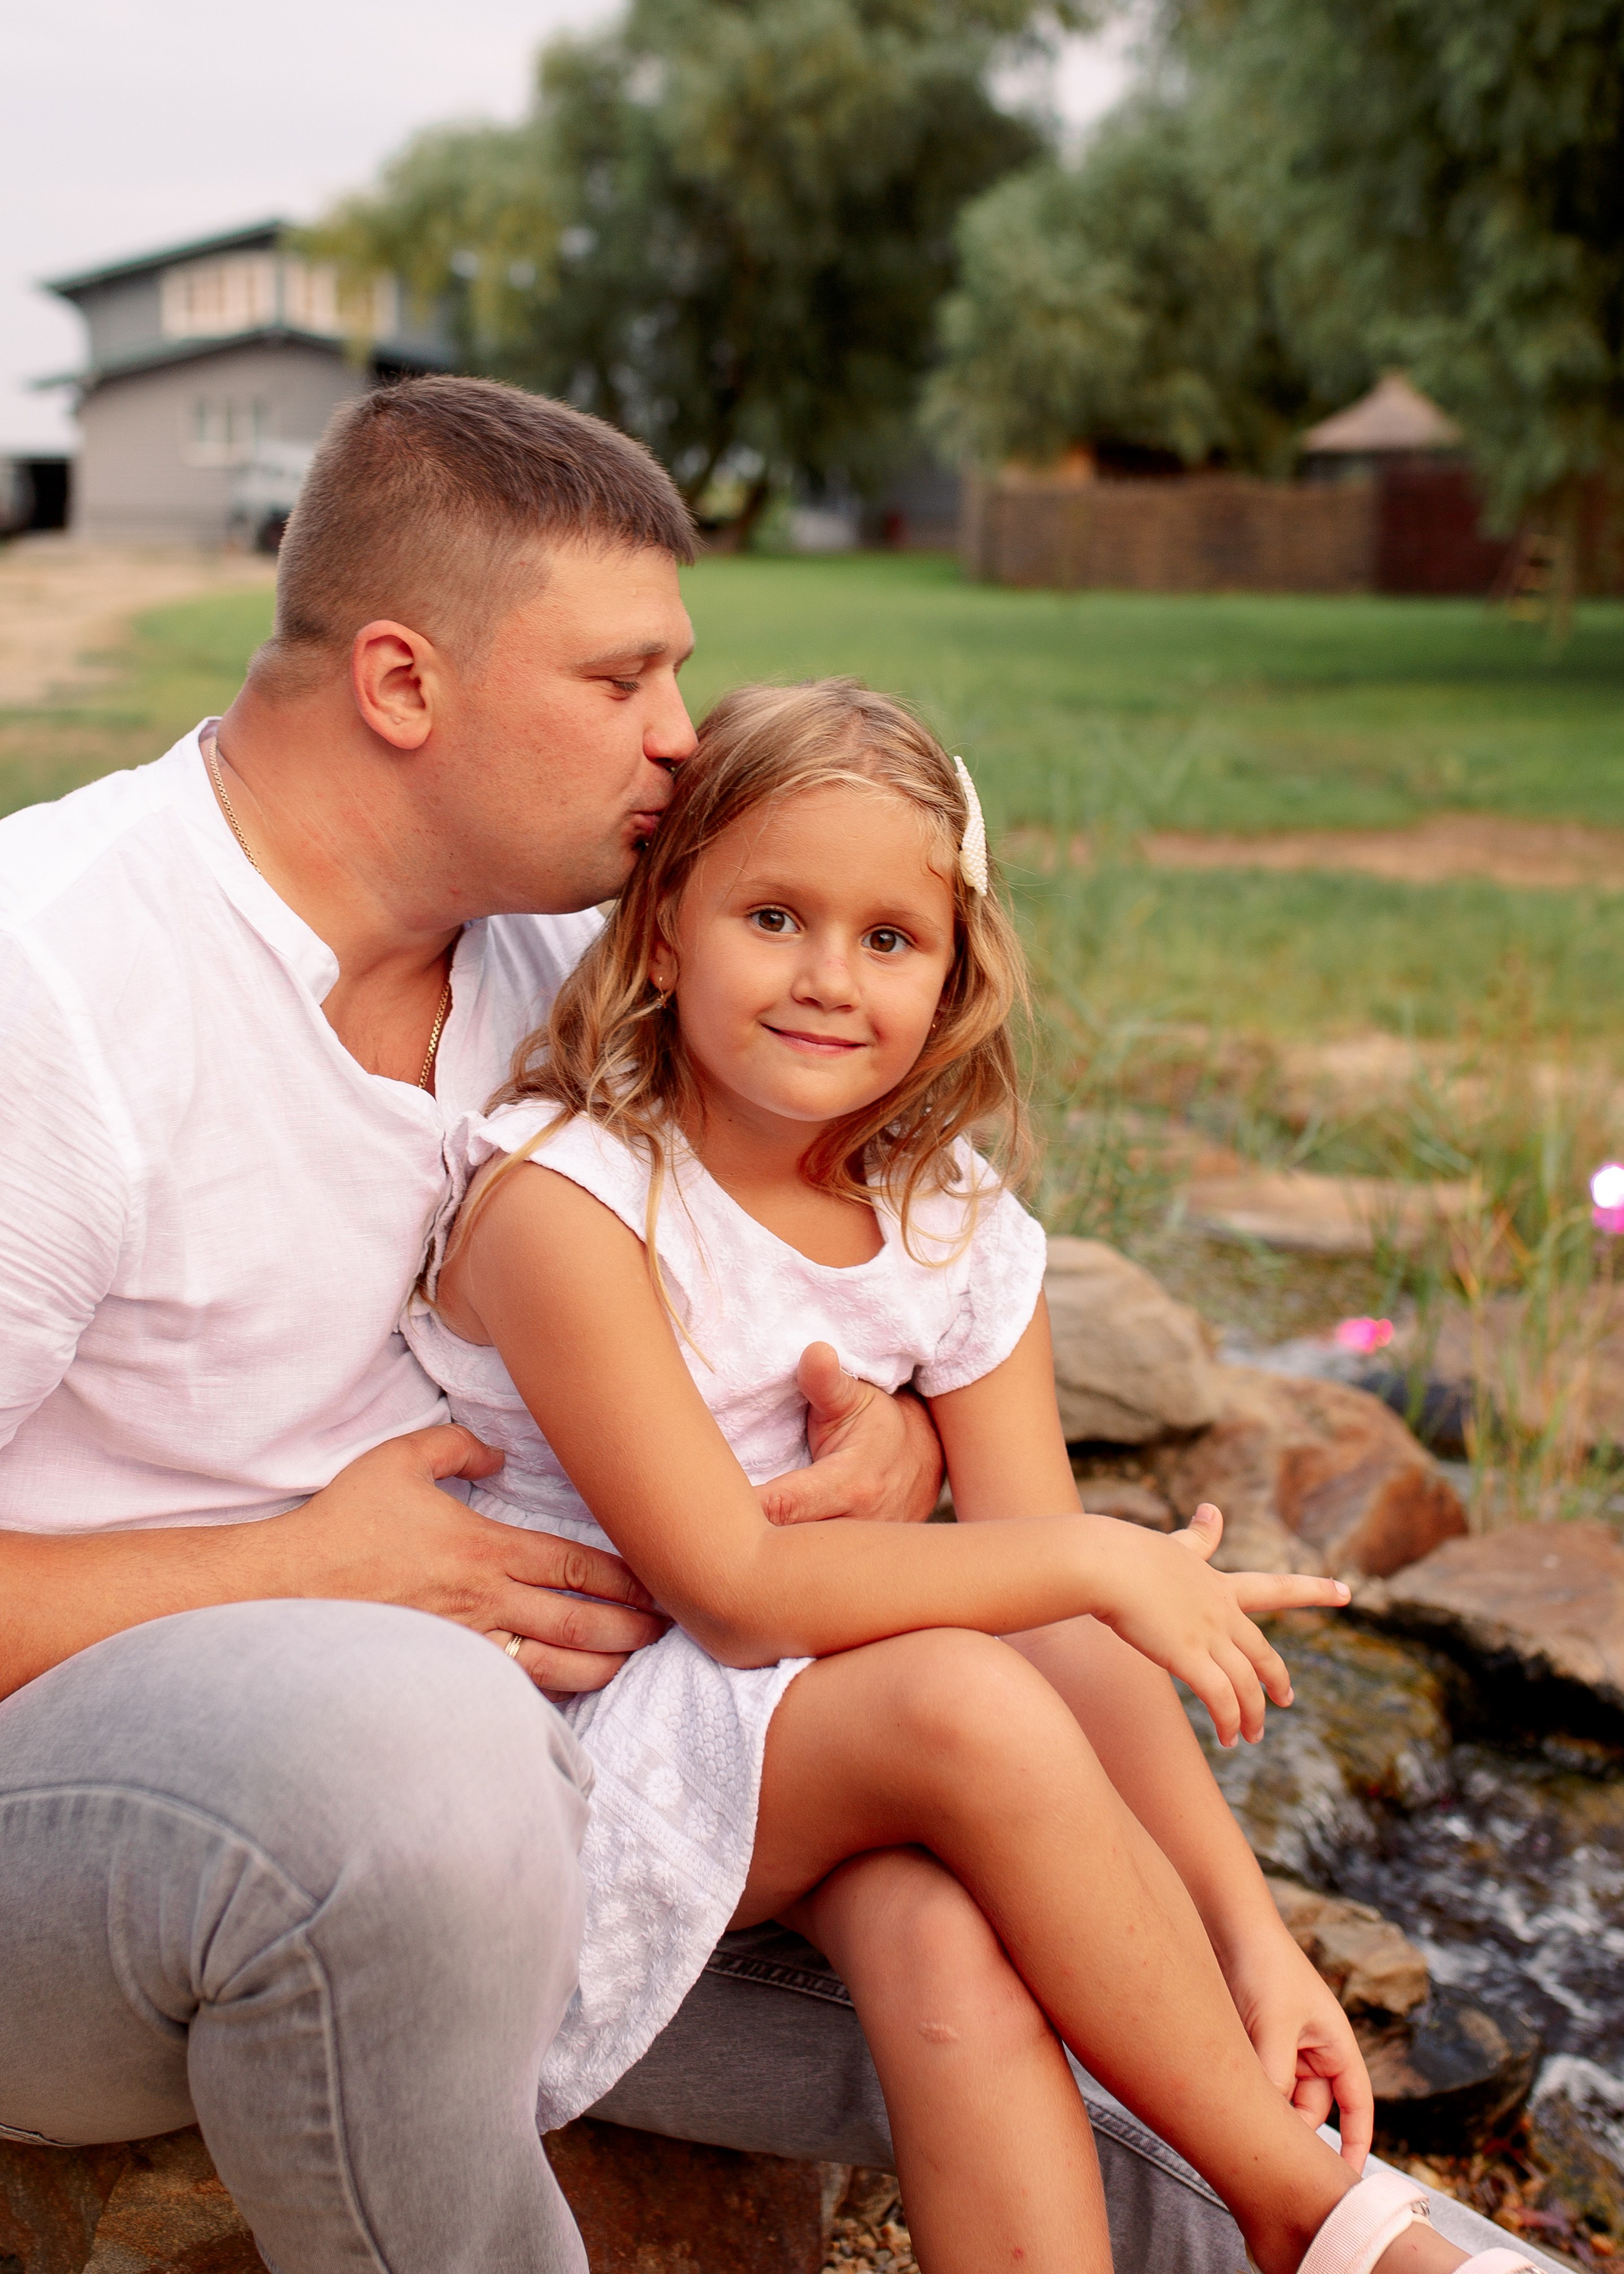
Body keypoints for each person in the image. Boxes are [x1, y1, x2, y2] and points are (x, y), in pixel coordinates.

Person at [0, 375, 1548, 2274]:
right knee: (404, 1732)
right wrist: (296, 1568)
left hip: (578, 1783)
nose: (677, 741)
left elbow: (797, 1275)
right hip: (103, 1848)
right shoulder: (52, 988)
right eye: (624, 680)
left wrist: (881, 1427)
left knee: (954, 1923)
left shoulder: (569, 945)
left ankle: (1345, 2231)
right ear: (404, 685)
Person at [410, 677, 1534, 2274]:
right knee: (960, 1697)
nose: (825, 978)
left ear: (950, 975)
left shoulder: (944, 1228)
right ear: (661, 928)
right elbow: (733, 1593)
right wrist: (1092, 1556)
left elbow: (1062, 1631)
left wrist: (1247, 1927)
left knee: (940, 1937)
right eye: (774, 915)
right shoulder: (572, 1199)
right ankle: (1301, 2210)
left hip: (811, 1763)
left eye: (888, 938)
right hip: (559, 1760)